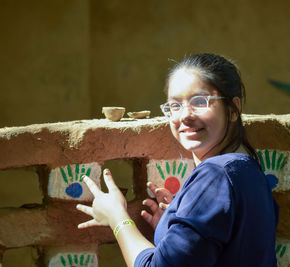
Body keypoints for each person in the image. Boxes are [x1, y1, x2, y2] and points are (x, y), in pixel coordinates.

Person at [76, 53, 279, 266]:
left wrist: (117, 216)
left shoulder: (216, 176)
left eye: (200, 102)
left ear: (233, 109)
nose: (185, 116)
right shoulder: (248, 170)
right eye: (174, 105)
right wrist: (174, 231)